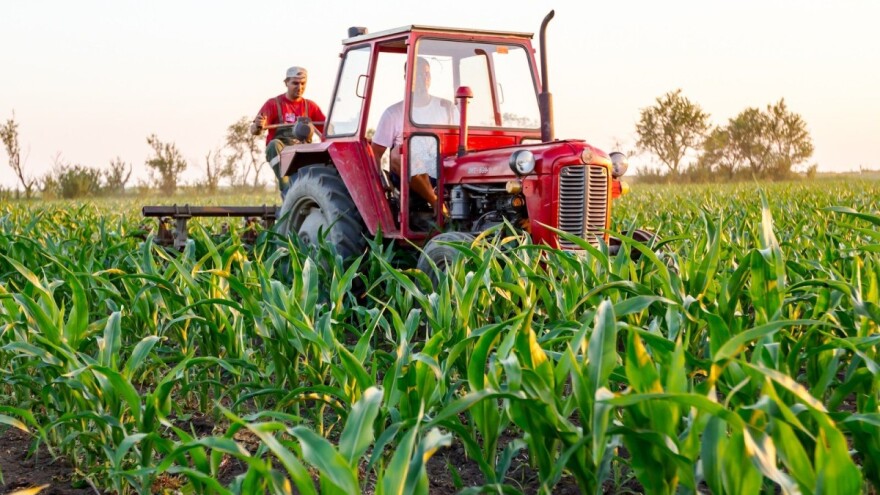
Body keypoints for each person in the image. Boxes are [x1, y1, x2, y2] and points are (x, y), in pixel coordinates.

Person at [371, 57, 457, 212]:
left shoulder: (446, 107)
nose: (423, 79)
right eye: (417, 74)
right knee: (399, 152)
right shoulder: (393, 113)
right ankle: (436, 204)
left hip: (441, 167)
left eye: (426, 74)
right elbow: (375, 153)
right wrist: (379, 187)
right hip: (408, 176)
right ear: (407, 77)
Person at [250, 66, 326, 199]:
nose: (299, 87)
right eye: (295, 83)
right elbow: (254, 130)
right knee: (273, 145)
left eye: (303, 83)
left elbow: (327, 131)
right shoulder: (274, 104)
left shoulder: (310, 106)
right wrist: (258, 125)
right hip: (282, 152)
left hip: (303, 154)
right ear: (286, 83)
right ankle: (286, 190)